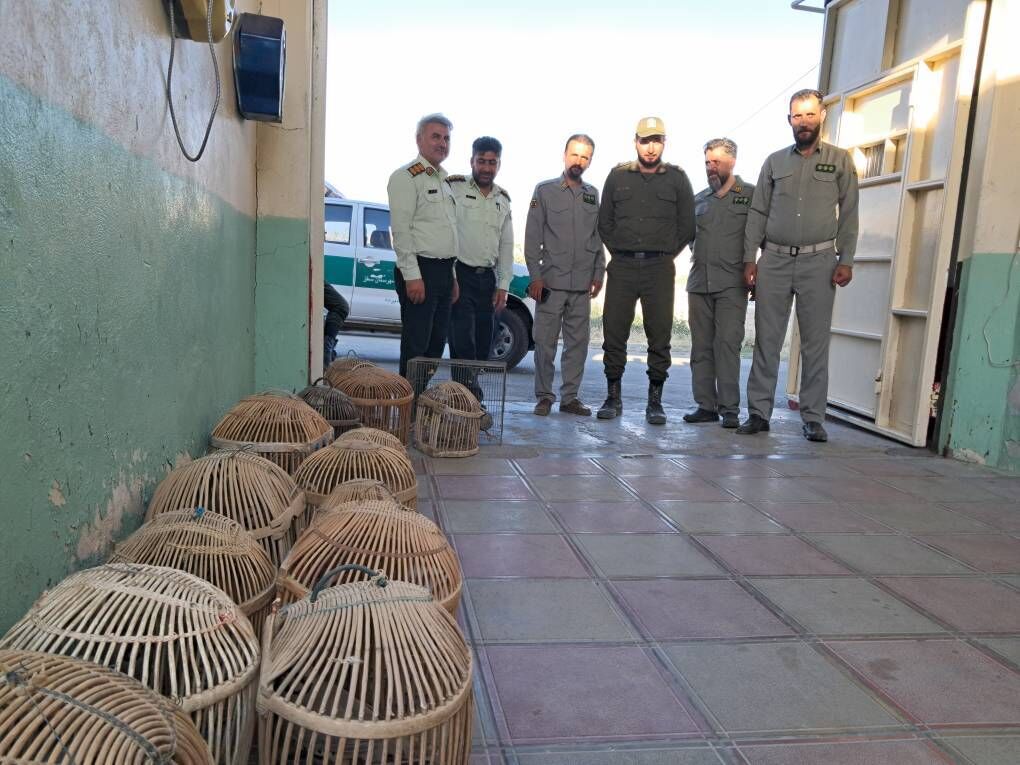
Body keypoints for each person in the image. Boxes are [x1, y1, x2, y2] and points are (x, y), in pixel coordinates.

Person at [737, 89, 859, 442]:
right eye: (797, 116)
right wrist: (750, 258)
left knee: (815, 344)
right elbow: (758, 211)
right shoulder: (774, 162)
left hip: (819, 262)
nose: (803, 122)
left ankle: (813, 417)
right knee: (767, 340)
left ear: (822, 116)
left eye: (809, 114)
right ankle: (758, 413)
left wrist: (846, 259)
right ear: (789, 120)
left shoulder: (840, 160)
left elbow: (849, 212)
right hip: (774, 260)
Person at [596, 117, 696, 425]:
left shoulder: (677, 179)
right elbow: (604, 222)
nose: (650, 147)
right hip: (622, 266)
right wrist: (620, 250)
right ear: (635, 142)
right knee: (614, 331)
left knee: (660, 333)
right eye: (644, 141)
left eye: (656, 141)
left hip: (659, 268)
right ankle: (613, 397)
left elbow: (687, 225)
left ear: (664, 142)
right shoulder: (617, 176)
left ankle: (655, 402)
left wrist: (665, 252)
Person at [525, 134, 605, 416]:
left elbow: (598, 238)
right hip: (551, 283)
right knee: (545, 344)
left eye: (584, 157)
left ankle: (570, 398)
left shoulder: (592, 194)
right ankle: (544, 396)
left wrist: (599, 273)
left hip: (582, 285)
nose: (578, 161)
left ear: (590, 161)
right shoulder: (545, 191)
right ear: (564, 155)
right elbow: (532, 238)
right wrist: (535, 276)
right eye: (574, 154)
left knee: (578, 346)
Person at [684, 138, 755, 430]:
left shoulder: (750, 195)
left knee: (727, 345)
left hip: (732, 284)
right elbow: (691, 238)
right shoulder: (699, 199)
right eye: (707, 162)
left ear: (732, 162)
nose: (711, 167)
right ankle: (705, 406)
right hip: (699, 283)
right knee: (701, 347)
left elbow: (761, 237)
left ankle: (729, 409)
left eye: (717, 162)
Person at [386, 113, 459, 379]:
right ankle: (408, 402)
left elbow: (445, 233)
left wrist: (452, 277)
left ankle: (419, 397)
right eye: (436, 136)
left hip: (443, 272)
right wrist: (412, 276)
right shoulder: (406, 177)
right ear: (419, 140)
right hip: (420, 271)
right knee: (416, 346)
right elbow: (401, 231)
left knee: (436, 345)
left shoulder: (445, 182)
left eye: (446, 138)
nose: (442, 143)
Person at [447, 136, 513, 418]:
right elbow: (447, 232)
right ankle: (469, 400)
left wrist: (503, 285)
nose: (486, 168)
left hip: (487, 280)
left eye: (492, 162)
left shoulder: (503, 199)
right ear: (472, 161)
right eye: (482, 161)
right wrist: (451, 275)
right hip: (460, 275)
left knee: (485, 342)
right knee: (463, 341)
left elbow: (506, 245)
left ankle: (465, 396)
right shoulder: (455, 188)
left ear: (499, 164)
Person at [323, 281, 350, 364]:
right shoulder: (320, 283)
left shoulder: (317, 283)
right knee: (329, 342)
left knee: (327, 343)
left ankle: (326, 369)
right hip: (340, 310)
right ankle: (330, 361)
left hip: (339, 311)